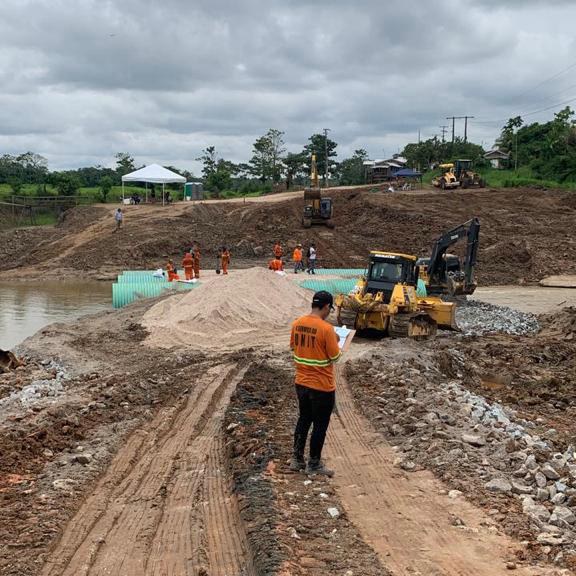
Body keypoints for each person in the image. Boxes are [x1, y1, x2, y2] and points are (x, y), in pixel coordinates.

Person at [289, 291, 341, 476]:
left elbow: (294, 347)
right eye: (330, 309)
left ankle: (296, 459)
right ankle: (314, 463)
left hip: (301, 382)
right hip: (322, 386)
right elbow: (335, 356)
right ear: (326, 306)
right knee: (320, 425)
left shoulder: (297, 324)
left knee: (304, 419)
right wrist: (336, 341)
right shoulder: (326, 329)